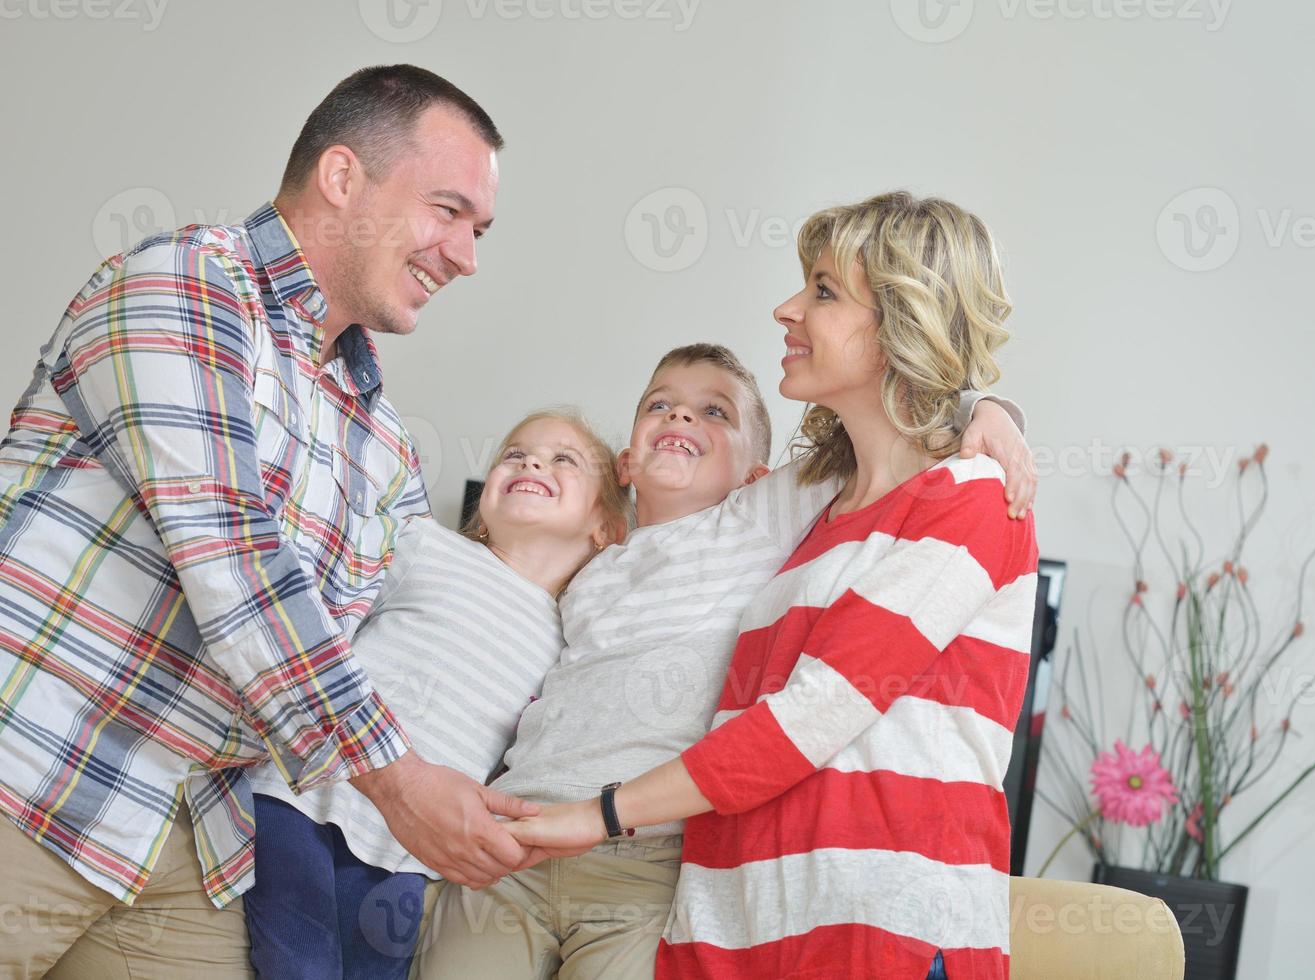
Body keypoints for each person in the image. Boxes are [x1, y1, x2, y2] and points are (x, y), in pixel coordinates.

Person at [0, 65, 536, 978]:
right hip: (33, 774)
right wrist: (398, 783)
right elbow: (235, 560)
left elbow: (423, 623)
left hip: (192, 842)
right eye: (447, 211)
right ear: (341, 178)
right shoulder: (185, 284)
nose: (465, 256)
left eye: (478, 231)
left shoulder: (381, 441)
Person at [504, 192, 1039, 980]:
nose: (787, 309)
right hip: (738, 930)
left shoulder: (970, 497)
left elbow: (811, 717)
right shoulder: (813, 515)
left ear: (901, 319)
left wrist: (598, 813)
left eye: (822, 291)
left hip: (876, 932)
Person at [242, 410, 630, 979]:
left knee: (380, 969)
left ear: (606, 528)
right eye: (513, 453)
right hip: (303, 794)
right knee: (299, 962)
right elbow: (332, 612)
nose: (530, 461)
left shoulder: (575, 636)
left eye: (563, 459)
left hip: (414, 850)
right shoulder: (425, 544)